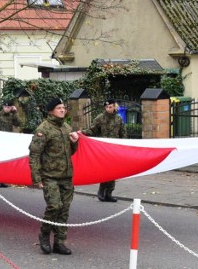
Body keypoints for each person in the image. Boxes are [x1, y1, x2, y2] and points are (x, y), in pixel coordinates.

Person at [28, 98, 79, 255]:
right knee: (54, 206)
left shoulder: (66, 127)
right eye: (59, 108)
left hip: (66, 176)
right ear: (51, 111)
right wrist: (36, 178)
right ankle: (44, 234)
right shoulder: (43, 129)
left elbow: (70, 152)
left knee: (64, 210)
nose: (63, 110)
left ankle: (59, 242)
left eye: (63, 108)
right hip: (50, 176)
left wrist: (75, 142)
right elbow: (34, 155)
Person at [83, 99, 127, 202]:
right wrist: (82, 133)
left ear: (114, 107)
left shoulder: (119, 119)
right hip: (103, 150)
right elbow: (92, 130)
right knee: (105, 171)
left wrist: (124, 147)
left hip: (114, 150)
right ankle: (101, 191)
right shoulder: (100, 118)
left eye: (110, 107)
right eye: (106, 107)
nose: (108, 109)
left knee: (113, 172)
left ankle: (109, 193)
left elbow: (123, 135)